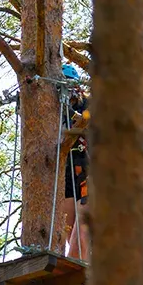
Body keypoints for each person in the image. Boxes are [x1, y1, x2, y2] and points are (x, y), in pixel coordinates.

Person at [61, 64, 90, 263]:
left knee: (81, 236)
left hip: (88, 171)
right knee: (67, 234)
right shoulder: (51, 109)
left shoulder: (87, 104)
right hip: (65, 175)